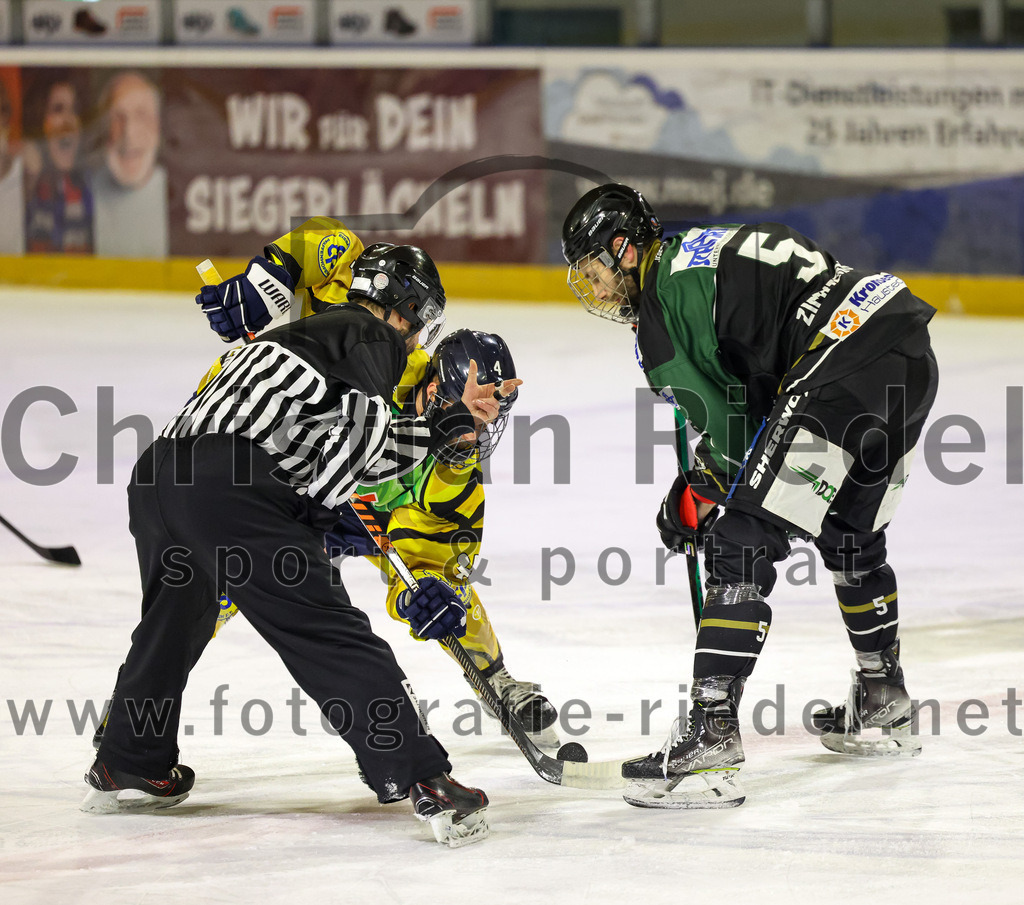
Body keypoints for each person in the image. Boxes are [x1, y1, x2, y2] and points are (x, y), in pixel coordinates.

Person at [83, 243, 517, 848]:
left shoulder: (306, 336)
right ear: (406, 310)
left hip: (160, 477)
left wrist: (427, 438)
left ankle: (129, 758)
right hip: (228, 487)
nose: (417, 341)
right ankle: (423, 777)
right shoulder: (374, 339)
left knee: (172, 624)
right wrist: (326, 514)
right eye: (420, 325)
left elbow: (336, 437)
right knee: (326, 630)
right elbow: (353, 452)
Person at [561, 184, 938, 809]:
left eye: (596, 272)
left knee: (739, 541)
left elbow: (737, 440)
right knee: (849, 532)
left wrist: (698, 496)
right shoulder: (701, 252)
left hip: (839, 364)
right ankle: (883, 699)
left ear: (624, 249)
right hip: (904, 350)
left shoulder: (662, 307)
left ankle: (711, 732)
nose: (597, 291)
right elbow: (761, 403)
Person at [195, 216, 561, 742]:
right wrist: (264, 278)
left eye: (488, 419)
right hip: (298, 492)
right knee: (220, 584)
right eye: (470, 414)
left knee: (453, 593)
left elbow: (431, 551)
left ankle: (498, 683)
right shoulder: (375, 348)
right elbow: (326, 240)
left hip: (373, 513)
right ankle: (139, 703)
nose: (473, 435)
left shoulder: (456, 469)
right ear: (435, 390)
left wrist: (429, 594)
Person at [89, 70, 168, 258]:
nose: (129, 133)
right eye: (118, 117)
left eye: (141, 115)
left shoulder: (183, 195)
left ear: (158, 126)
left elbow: (207, 273)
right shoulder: (83, 192)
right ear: (103, 126)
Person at [23, 70, 92, 253]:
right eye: (58, 109)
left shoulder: (91, 186)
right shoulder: (23, 183)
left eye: (75, 110)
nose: (69, 121)